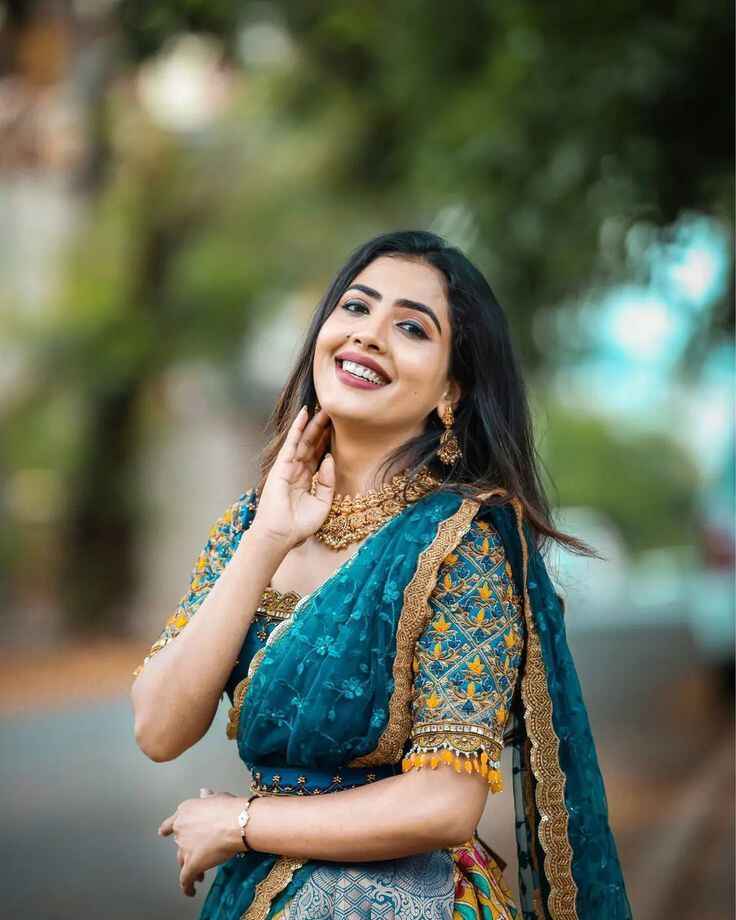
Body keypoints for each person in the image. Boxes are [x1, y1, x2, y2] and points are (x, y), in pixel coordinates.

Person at [130, 230, 633, 920]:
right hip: (260, 898)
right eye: (356, 308)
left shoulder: (461, 544)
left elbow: (443, 804)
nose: (368, 336)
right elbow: (159, 728)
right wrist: (269, 539)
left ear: (452, 388)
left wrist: (241, 823)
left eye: (412, 328)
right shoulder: (250, 525)